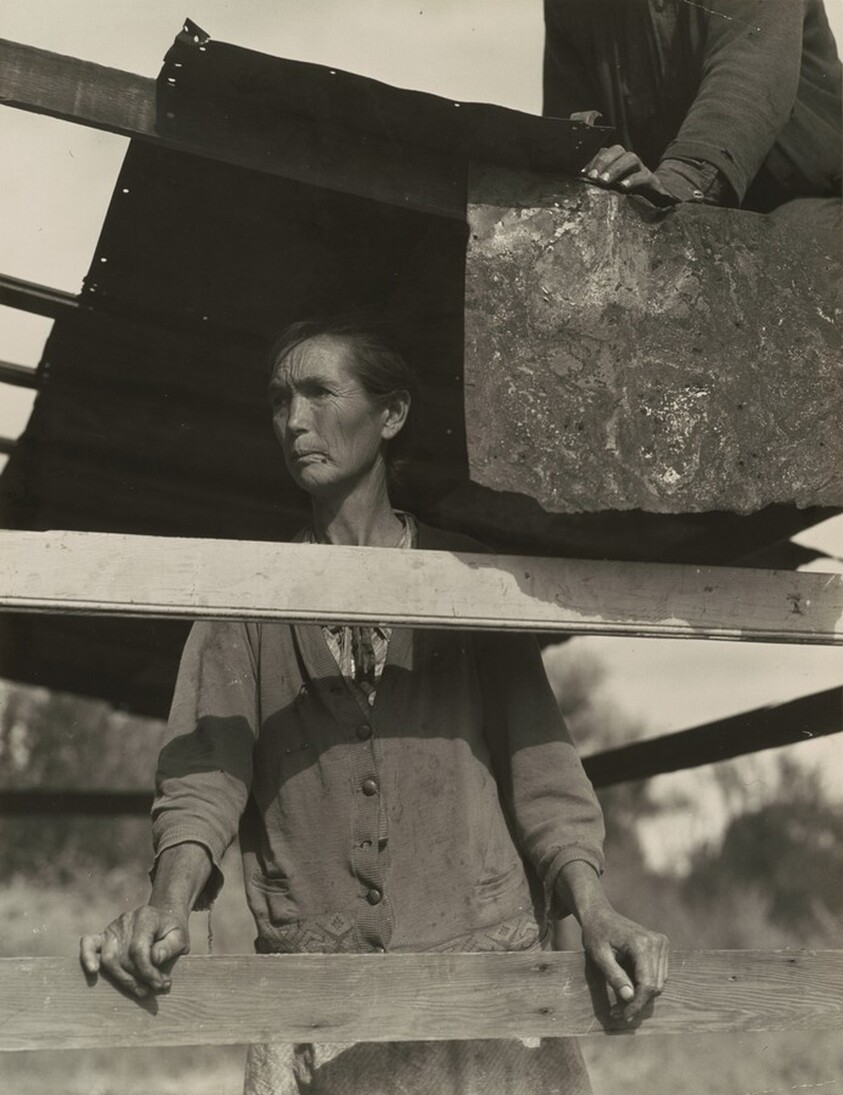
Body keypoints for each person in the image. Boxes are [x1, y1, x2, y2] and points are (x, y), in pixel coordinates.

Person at [80, 319, 668, 1094]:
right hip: (320, 1000)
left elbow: (543, 774)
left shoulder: (468, 580)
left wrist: (595, 909)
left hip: (482, 993)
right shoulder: (244, 595)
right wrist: (168, 902)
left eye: (319, 393)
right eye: (279, 400)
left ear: (390, 414)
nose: (294, 421)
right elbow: (202, 778)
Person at [543, 0, 842, 210]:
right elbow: (570, 137)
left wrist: (678, 185)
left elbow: (744, 80)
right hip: (672, 215)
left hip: (814, 203)